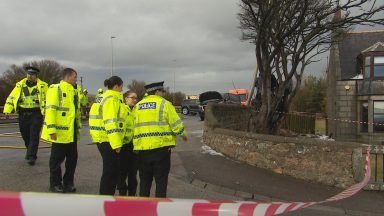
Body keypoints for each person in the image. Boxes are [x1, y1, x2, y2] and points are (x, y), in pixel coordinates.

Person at [133, 81, 187, 198]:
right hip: (161, 150)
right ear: (157, 91)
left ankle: (144, 208)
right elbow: (176, 124)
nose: (163, 93)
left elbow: (132, 126)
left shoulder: (138, 106)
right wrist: (183, 134)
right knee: (161, 181)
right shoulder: (165, 104)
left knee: (144, 182)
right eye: (162, 91)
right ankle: (160, 208)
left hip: (142, 150)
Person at [41, 68, 81, 193]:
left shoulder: (74, 91)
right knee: (56, 161)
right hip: (59, 133)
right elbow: (51, 110)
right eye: (75, 77)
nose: (76, 79)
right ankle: (55, 184)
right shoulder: (55, 89)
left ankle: (68, 183)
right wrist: (51, 130)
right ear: (68, 77)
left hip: (71, 132)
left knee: (72, 160)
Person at [3, 66, 48, 165]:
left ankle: (32, 156)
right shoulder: (20, 85)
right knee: (25, 134)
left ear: (36, 76)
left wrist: (48, 112)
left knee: (34, 135)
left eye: (32, 75)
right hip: (23, 114)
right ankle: (30, 150)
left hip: (36, 114)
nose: (30, 76)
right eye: (29, 74)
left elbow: (49, 99)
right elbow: (11, 98)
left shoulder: (43, 86)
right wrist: (7, 110)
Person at [89, 76, 126, 195]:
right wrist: (116, 144)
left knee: (110, 171)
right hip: (108, 140)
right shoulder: (112, 99)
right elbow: (111, 123)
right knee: (110, 172)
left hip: (101, 138)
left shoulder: (101, 98)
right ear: (116, 86)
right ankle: (105, 198)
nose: (122, 90)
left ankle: (105, 197)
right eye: (121, 87)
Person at [117, 90, 138, 196]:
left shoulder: (136, 110)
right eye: (132, 97)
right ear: (125, 98)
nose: (135, 100)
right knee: (122, 173)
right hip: (123, 146)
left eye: (136, 98)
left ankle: (132, 195)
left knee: (133, 174)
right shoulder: (121, 110)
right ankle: (122, 194)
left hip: (134, 146)